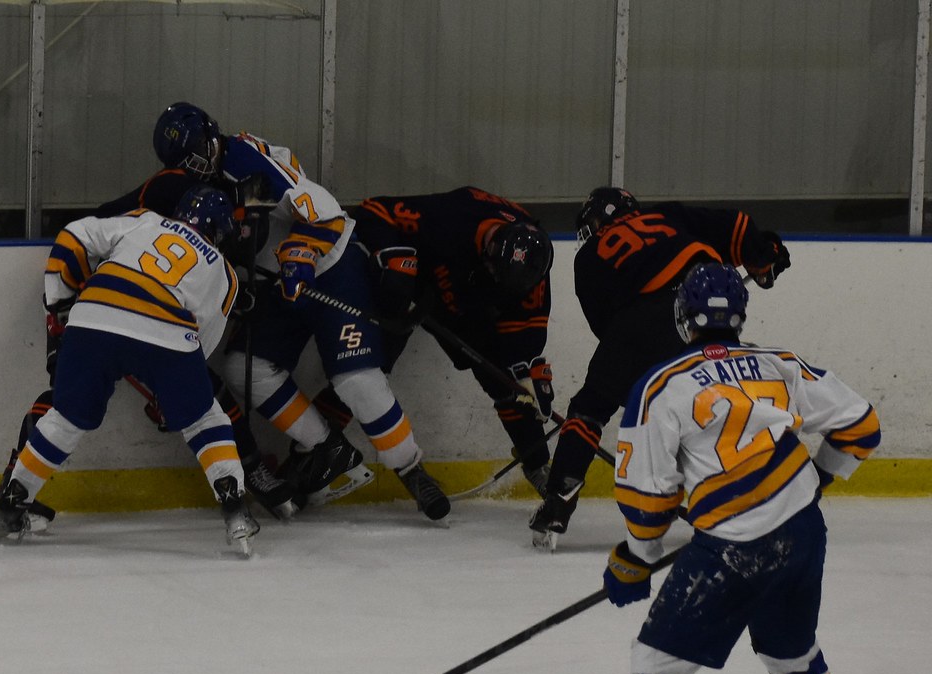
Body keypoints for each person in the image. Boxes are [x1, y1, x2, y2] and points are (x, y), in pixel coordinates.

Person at [563, 263, 879, 674]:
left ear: (682, 317)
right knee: (792, 650)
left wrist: (635, 558)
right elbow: (862, 426)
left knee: (658, 656)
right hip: (804, 531)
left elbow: (645, 497)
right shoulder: (779, 363)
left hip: (735, 548)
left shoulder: (661, 384)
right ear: (739, 317)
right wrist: (820, 478)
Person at [150, 102, 451, 520]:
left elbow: (322, 213)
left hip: (331, 266)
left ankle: (411, 468)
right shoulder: (207, 181)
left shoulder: (242, 158)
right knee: (242, 367)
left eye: (198, 151)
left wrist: (299, 257)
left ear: (211, 134)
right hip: (281, 283)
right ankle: (328, 449)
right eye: (185, 162)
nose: (196, 165)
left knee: (357, 380)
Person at [0, 186, 261, 557]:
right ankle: (235, 510)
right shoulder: (226, 275)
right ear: (221, 231)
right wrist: (169, 390)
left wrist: (60, 306)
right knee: (205, 417)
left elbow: (73, 236)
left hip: (91, 315)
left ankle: (7, 507)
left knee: (65, 418)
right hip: (166, 332)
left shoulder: (146, 220)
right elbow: (199, 345)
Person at [530, 186, 792, 551]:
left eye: (592, 220)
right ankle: (754, 496)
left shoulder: (587, 257)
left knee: (591, 407)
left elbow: (609, 330)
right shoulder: (665, 215)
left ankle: (559, 499)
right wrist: (763, 257)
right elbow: (736, 225)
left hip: (643, 320)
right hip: (707, 306)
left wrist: (635, 373)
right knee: (714, 406)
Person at [310, 186, 556, 496]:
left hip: (467, 306)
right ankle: (313, 449)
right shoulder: (454, 214)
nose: (495, 276)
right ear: (490, 248)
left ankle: (539, 466)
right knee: (368, 368)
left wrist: (528, 371)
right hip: (413, 285)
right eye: (493, 270)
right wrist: (395, 261)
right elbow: (374, 209)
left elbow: (528, 336)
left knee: (508, 383)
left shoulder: (533, 266)